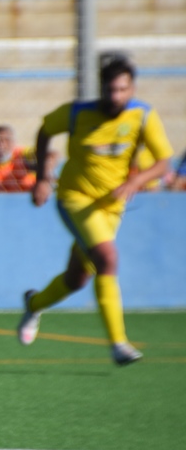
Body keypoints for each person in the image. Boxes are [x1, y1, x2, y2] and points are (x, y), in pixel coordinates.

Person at [16, 54, 174, 365]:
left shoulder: (143, 116)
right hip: (75, 198)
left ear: (132, 89)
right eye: (110, 89)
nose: (115, 96)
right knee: (107, 257)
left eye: (122, 90)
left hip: (111, 206)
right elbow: (45, 130)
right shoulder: (77, 113)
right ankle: (119, 343)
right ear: (101, 88)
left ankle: (34, 304)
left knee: (78, 278)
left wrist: (135, 181)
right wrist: (43, 178)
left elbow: (163, 163)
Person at [0, 124, 55, 193]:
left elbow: (52, 155)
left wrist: (44, 177)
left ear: (13, 142)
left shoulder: (23, 154)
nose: (0, 144)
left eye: (6, 140)